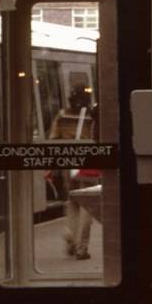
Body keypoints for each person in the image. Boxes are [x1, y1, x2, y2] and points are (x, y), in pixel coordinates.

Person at [48, 87, 97, 260]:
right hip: (88, 163)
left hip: (68, 165)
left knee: (72, 202)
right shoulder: (93, 116)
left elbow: (53, 139)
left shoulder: (62, 115)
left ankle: (70, 232)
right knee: (87, 205)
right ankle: (81, 248)